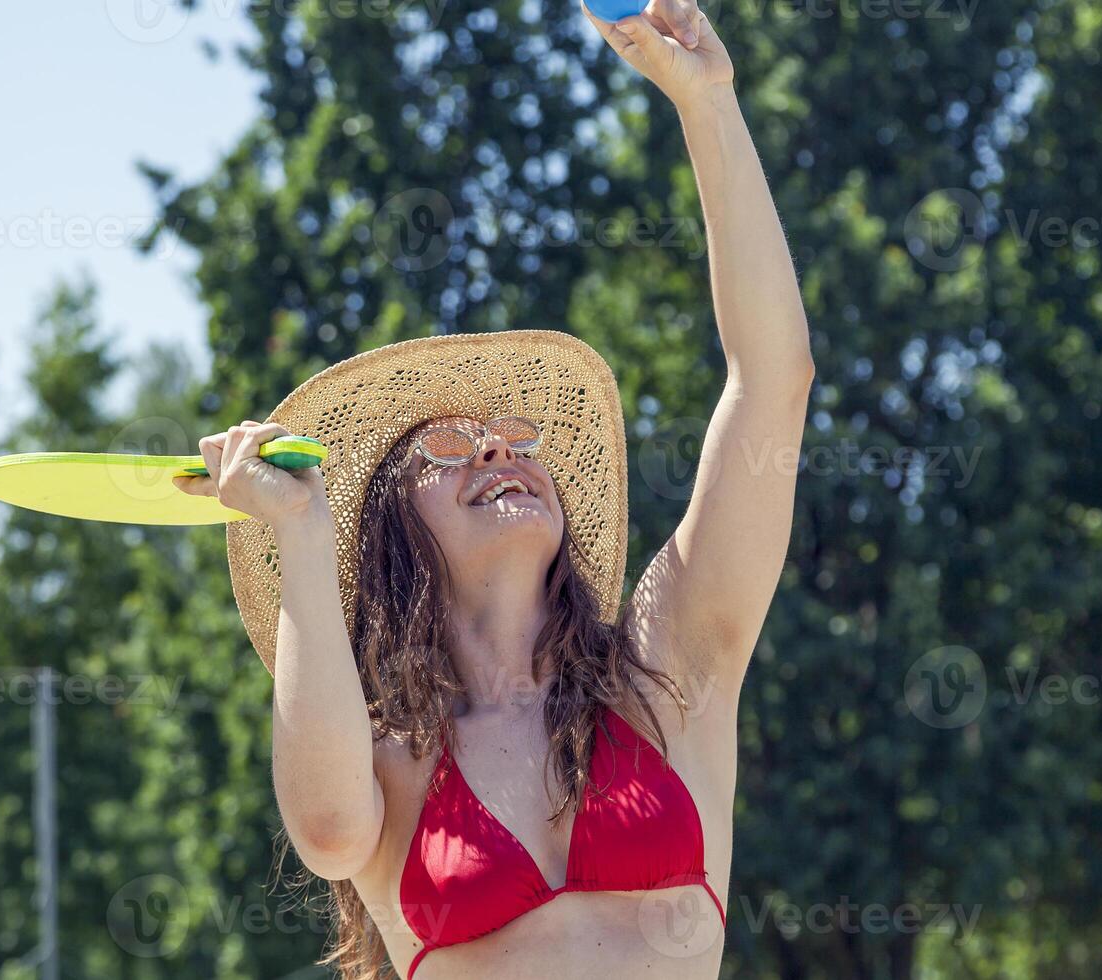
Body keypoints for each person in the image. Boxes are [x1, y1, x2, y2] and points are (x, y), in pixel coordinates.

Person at [174, 0, 813, 975]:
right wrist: (300, 532)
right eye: (448, 449)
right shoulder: (392, 757)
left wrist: (707, 104)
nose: (496, 452)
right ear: (388, 524)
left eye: (513, 437)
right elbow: (329, 830)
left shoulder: (667, 672)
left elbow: (772, 377)